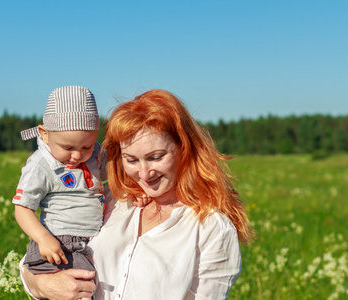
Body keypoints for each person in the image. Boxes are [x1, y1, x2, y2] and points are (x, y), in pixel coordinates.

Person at [20, 89, 253, 300]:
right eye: (131, 160)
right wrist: (43, 285)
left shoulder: (212, 227)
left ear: (184, 147)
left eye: (156, 157)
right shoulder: (112, 198)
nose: (144, 173)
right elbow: (32, 262)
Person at [13, 85, 110, 279]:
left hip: (92, 240)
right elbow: (22, 208)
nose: (77, 155)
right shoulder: (41, 165)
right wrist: (43, 238)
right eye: (67, 147)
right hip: (60, 243)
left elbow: (117, 174)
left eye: (86, 145)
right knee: (80, 288)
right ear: (45, 134)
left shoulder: (96, 154)